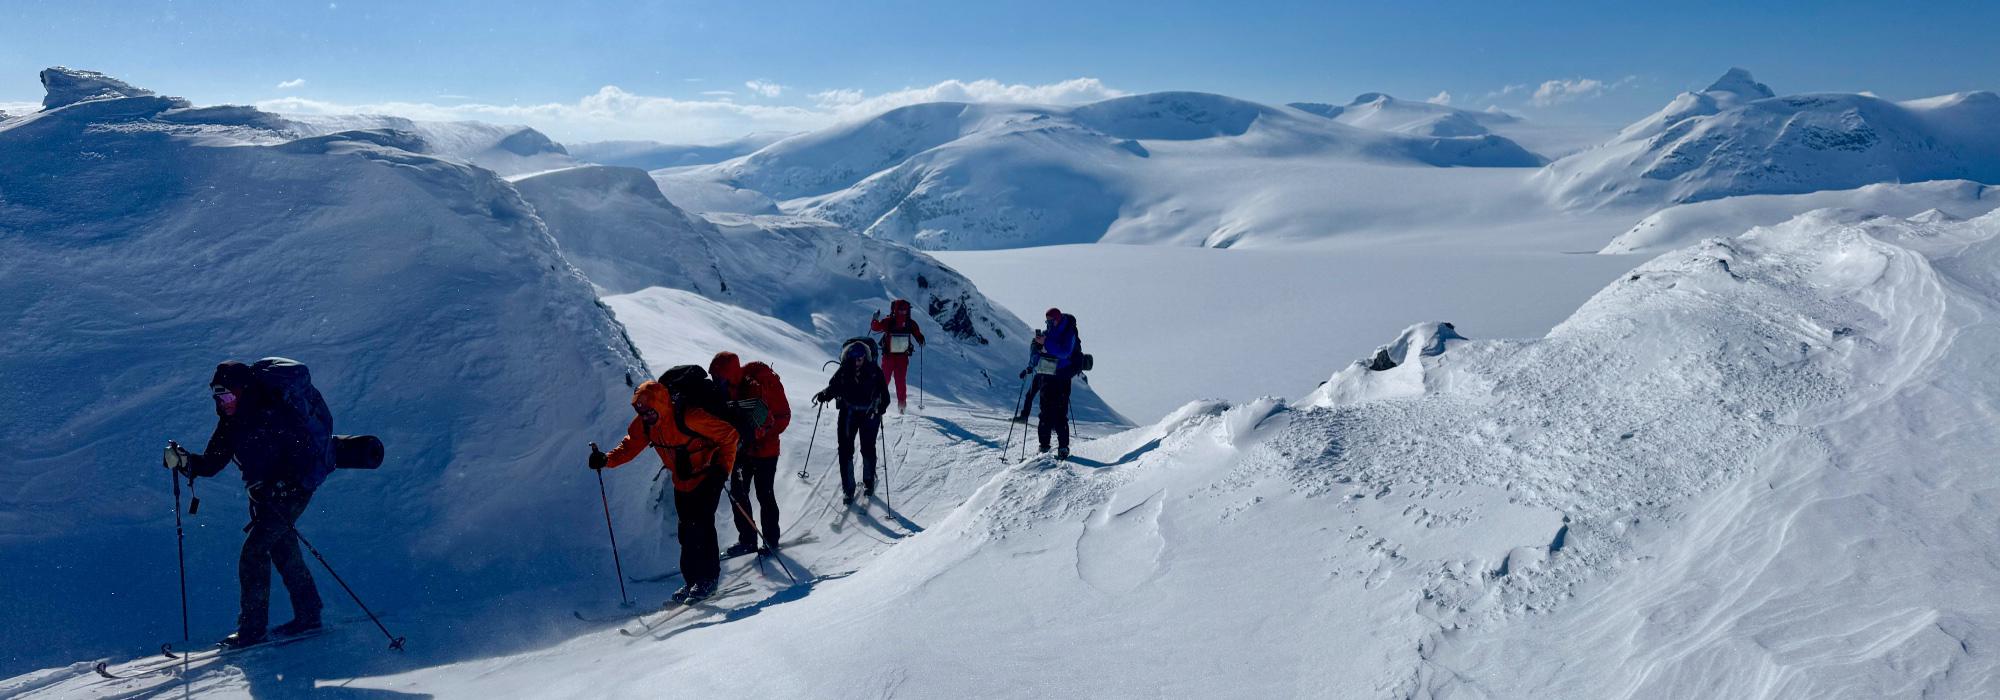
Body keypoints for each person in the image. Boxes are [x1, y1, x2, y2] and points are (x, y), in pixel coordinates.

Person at [166, 361, 328, 649]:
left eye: (227, 396)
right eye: (218, 398)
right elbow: (212, 463)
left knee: (253, 553)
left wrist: (283, 483)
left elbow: (301, 450)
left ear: (242, 391)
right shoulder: (231, 422)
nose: (222, 403)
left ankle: (253, 629)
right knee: (282, 547)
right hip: (266, 496)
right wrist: (184, 462)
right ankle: (309, 614)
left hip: (292, 492)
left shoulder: (273, 411)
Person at [591, 379, 739, 603]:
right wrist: (606, 460)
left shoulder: (690, 417)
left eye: (649, 412)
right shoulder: (646, 424)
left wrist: (722, 469)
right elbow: (630, 445)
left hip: (708, 476)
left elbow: (729, 435)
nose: (645, 417)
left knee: (702, 526)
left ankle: (708, 580)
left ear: (660, 404)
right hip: (682, 481)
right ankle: (692, 581)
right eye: (642, 413)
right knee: (685, 532)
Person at [710, 352, 792, 558]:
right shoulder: (727, 388)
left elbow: (782, 417)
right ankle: (748, 539)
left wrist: (761, 434)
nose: (716, 380)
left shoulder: (758, 385)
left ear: (729, 373)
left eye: (719, 376)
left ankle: (771, 540)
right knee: (739, 494)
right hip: (743, 449)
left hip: (766, 450)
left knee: (764, 494)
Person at [813, 341, 891, 504]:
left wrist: (880, 409)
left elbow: (885, 396)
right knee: (846, 450)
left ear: (865, 357)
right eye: (854, 357)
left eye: (860, 357)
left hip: (865, 413)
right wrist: (824, 395)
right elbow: (833, 388)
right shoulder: (851, 371)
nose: (857, 360)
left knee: (866, 448)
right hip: (852, 413)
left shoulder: (872, 371)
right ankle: (849, 488)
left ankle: (867, 482)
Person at [1037, 308, 1083, 460]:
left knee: (1060, 412)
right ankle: (1044, 447)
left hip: (1062, 376)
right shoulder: (1048, 332)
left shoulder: (1069, 332)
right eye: (1047, 321)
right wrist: (1039, 344)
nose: (1048, 323)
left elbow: (1064, 352)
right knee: (1044, 411)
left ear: (1058, 319)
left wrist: (1046, 342)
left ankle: (1063, 448)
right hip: (1048, 373)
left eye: (1050, 320)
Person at [870, 299, 926, 413]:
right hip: (902, 357)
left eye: (903, 310)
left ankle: (878, 403)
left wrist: (874, 318)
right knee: (900, 382)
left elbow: (875, 328)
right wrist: (921, 340)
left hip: (889, 356)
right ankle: (902, 407)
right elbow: (918, 335)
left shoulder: (888, 321)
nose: (902, 312)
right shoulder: (910, 323)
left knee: (884, 380)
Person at [1015, 329, 1046, 422]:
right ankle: (1024, 417)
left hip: (1044, 376)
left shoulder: (1039, 349)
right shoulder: (1036, 349)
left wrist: (1028, 370)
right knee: (1031, 396)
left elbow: (1034, 362)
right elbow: (1032, 363)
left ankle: (1048, 422)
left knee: (1043, 399)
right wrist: (1026, 370)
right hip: (1039, 375)